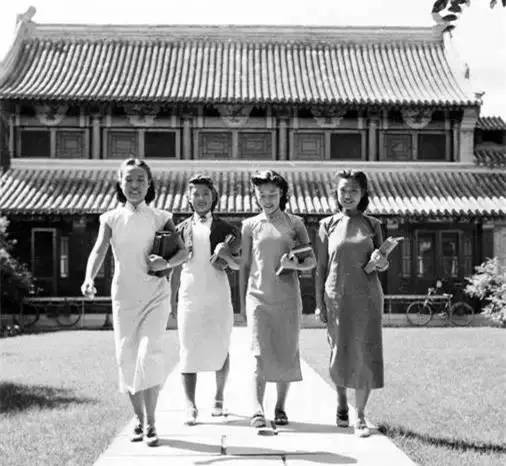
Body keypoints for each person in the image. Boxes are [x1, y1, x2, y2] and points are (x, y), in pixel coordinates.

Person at [81, 158, 187, 447]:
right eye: (129, 179)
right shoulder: (110, 218)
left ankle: (152, 423)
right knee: (126, 357)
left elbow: (183, 253)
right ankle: (138, 421)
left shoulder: (161, 216)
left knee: (148, 353)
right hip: (124, 296)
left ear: (149, 184)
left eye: (141, 179)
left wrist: (164, 261)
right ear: (120, 183)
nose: (135, 185)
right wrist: (89, 278)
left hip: (155, 293)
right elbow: (99, 250)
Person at [314, 170, 388, 438]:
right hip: (336, 296)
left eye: (353, 191)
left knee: (366, 353)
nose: (347, 195)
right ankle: (342, 403)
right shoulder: (327, 225)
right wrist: (320, 302)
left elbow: (383, 261)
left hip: (367, 296)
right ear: (336, 193)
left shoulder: (373, 224)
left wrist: (381, 261)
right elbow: (321, 267)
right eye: (343, 190)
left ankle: (361, 415)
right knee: (339, 352)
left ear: (363, 194)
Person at [240, 170, 316, 428]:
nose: (267, 199)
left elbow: (311, 261)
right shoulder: (249, 225)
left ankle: (280, 407)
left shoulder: (295, 223)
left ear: (282, 193)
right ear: (255, 195)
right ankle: (257, 409)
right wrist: (242, 303)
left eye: (272, 194)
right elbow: (245, 264)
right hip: (258, 297)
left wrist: (293, 265)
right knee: (258, 353)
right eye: (262, 194)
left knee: (286, 352)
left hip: (287, 298)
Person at [170, 174, 240, 425]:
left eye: (206, 194)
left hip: (218, 295)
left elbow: (238, 265)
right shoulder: (179, 229)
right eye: (196, 194)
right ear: (189, 198)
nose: (201, 198)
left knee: (221, 345)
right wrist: (172, 299)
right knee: (188, 347)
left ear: (214, 198)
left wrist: (225, 254)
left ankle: (219, 398)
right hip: (190, 294)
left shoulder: (228, 230)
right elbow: (176, 268)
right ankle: (190, 404)